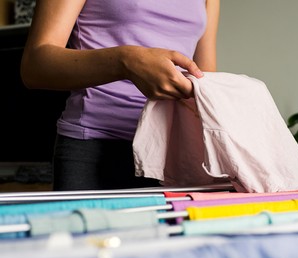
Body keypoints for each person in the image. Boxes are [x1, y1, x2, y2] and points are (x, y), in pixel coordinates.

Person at [20, 0, 220, 191]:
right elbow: (34, 66)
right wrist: (126, 61)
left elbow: (204, 79)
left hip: (177, 153)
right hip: (98, 144)